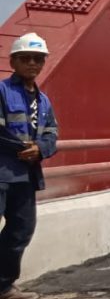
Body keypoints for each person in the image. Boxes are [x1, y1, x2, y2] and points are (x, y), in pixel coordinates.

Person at [0, 33, 59, 299]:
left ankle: (4, 285)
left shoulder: (44, 101)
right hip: (2, 172)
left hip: (26, 176)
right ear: (13, 61)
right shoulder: (2, 91)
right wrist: (23, 149)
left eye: (38, 59)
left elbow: (51, 134)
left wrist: (40, 149)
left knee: (21, 231)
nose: (32, 63)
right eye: (26, 58)